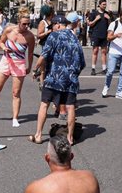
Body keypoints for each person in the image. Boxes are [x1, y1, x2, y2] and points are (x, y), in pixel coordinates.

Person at [28, 14, 85, 145]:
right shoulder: (75, 38)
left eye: (53, 26)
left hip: (54, 77)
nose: (52, 28)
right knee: (70, 107)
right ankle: (70, 138)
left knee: (44, 104)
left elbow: (43, 56)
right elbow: (82, 62)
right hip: (71, 79)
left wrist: (36, 71)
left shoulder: (54, 35)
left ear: (58, 25)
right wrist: (73, 74)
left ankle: (38, 135)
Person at [0, 7, 36, 127]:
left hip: (19, 63)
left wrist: (29, 67)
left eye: (28, 24)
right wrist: (3, 48)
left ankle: (15, 118)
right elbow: (1, 41)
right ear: (18, 22)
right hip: (6, 61)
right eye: (24, 24)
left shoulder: (29, 36)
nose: (27, 26)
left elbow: (30, 53)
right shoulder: (9, 30)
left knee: (16, 92)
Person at [88, 0, 111, 75]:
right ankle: (93, 68)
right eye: (103, 4)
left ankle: (104, 69)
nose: (105, 6)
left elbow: (111, 25)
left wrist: (109, 19)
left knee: (104, 52)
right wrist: (96, 19)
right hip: (96, 35)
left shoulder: (107, 14)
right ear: (100, 5)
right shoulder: (94, 13)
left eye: (105, 4)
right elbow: (90, 24)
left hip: (104, 35)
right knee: (95, 51)